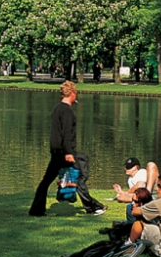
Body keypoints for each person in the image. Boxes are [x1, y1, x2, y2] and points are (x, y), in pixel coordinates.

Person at [28, 81, 106, 217]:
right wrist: (69, 152)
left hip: (56, 151)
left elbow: (56, 134)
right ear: (72, 93)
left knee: (46, 181)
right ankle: (94, 207)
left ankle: (37, 210)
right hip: (65, 152)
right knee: (80, 177)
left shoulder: (57, 108)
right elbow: (67, 133)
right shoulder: (67, 111)